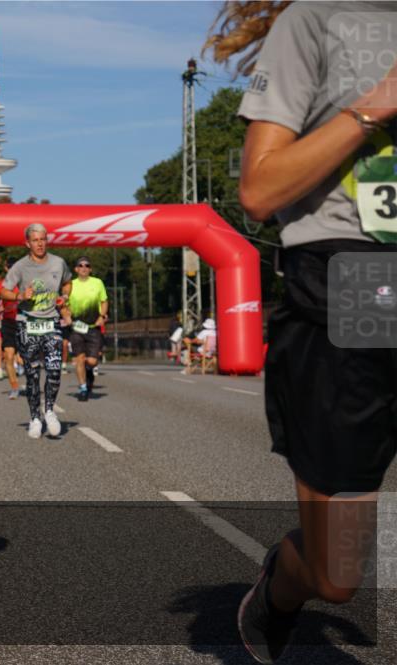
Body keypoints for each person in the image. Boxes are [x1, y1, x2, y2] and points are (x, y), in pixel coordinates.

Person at [207, 4, 397, 663]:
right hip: (349, 285)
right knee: (337, 576)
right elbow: (258, 191)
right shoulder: (314, 23)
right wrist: (375, 107)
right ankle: (279, 589)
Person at [0, 224, 72, 438]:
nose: (40, 244)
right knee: (32, 376)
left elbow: (67, 283)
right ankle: (34, 417)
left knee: (54, 369)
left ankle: (49, 410)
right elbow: (4, 291)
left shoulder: (58, 263)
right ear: (27, 243)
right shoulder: (20, 267)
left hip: (51, 322)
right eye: (35, 240)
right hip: (27, 324)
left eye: (43, 239)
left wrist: (65, 297)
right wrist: (20, 296)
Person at [67, 256, 108, 402]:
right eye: (81, 265)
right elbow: (64, 304)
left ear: (90, 269)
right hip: (77, 327)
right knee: (79, 359)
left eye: (87, 265)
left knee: (92, 361)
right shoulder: (70, 285)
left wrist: (102, 315)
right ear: (76, 269)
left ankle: (88, 371)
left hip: (93, 327)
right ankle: (83, 388)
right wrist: (66, 315)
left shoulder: (97, 283)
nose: (84, 268)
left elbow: (104, 301)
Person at [0, 263, 22, 399]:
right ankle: (14, 387)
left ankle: (32, 382)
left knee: (24, 358)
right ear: (6, 268)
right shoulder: (0, 284)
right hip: (8, 322)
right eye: (10, 266)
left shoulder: (25, 282)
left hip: (24, 322)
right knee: (8, 356)